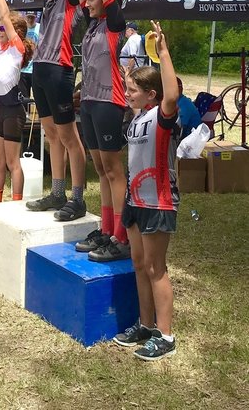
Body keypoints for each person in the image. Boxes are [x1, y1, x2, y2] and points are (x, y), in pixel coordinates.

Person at [113, 21, 180, 361]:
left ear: (151, 95)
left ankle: (166, 336)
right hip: (135, 202)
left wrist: (163, 53)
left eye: (134, 90)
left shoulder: (162, 116)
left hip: (159, 202)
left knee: (156, 267)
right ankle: (146, 324)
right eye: (128, 89)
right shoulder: (136, 118)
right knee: (139, 264)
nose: (129, 94)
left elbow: (172, 94)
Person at [74, 0, 131, 262]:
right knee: (100, 170)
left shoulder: (113, 22)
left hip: (110, 102)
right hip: (91, 102)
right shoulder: (92, 24)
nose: (87, 2)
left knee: (114, 170)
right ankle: (108, 230)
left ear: (106, 1)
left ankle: (122, 238)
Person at [24, 0, 87, 221]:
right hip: (40, 71)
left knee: (69, 136)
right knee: (51, 134)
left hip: (60, 71)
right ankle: (58, 192)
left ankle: (77, 198)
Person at [0, 0, 35, 203]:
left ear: (15, 31)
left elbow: (4, 17)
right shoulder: (2, 47)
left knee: (11, 162)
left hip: (14, 110)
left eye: (3, 30)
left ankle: (16, 202)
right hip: (1, 109)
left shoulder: (16, 48)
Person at [20, 11, 40, 100]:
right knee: (24, 98)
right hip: (23, 69)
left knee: (38, 97)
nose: (30, 20)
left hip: (35, 68)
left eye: (32, 17)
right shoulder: (22, 29)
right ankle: (26, 113)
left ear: (35, 17)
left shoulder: (40, 27)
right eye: (28, 17)